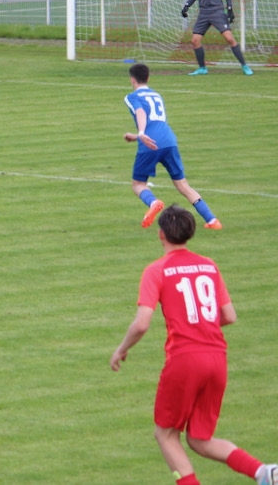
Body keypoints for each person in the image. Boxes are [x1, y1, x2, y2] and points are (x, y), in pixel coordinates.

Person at [110, 204, 278, 485]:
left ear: (160, 234)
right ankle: (265, 473)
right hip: (217, 358)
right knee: (200, 439)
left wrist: (121, 349)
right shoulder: (209, 265)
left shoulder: (156, 270)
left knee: (165, 434)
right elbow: (229, 316)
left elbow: (141, 323)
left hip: (185, 360)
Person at [123, 63, 221, 230]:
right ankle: (212, 220)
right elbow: (156, 122)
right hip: (169, 140)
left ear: (132, 79)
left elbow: (141, 113)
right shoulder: (157, 95)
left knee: (138, 184)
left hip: (150, 143)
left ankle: (153, 202)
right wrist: (136, 136)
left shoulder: (132, 97)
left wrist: (140, 133)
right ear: (148, 78)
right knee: (183, 185)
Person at [181, 0, 252, 76]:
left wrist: (229, 8)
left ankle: (244, 65)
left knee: (229, 38)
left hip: (217, 12)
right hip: (203, 13)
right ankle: (202, 68)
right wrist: (187, 6)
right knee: (195, 40)